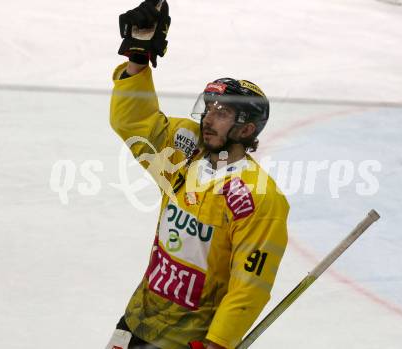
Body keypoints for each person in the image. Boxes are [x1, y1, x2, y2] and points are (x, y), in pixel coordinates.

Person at [105, 1, 289, 348]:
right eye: (210, 109)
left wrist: (218, 342)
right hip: (138, 318)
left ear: (247, 128)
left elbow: (251, 285)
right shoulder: (184, 153)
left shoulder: (258, 197)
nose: (208, 118)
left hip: (191, 340)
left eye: (223, 114)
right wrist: (137, 60)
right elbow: (133, 123)